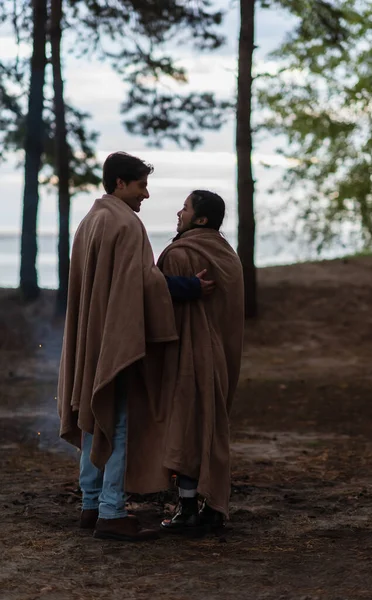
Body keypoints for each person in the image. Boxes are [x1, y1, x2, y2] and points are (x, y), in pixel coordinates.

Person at [57, 153, 214, 542]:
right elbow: (143, 284)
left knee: (94, 416)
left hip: (93, 336)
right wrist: (189, 287)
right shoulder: (125, 223)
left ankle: (90, 505)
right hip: (114, 338)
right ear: (120, 183)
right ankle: (111, 512)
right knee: (117, 420)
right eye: (141, 185)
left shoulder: (90, 221)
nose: (146, 194)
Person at [157, 190, 244, 535]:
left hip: (189, 355)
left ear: (201, 219)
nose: (179, 213)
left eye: (185, 208)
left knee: (187, 428)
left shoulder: (183, 254)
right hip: (221, 356)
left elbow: (155, 299)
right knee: (210, 427)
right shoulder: (228, 255)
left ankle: (188, 507)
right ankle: (210, 507)